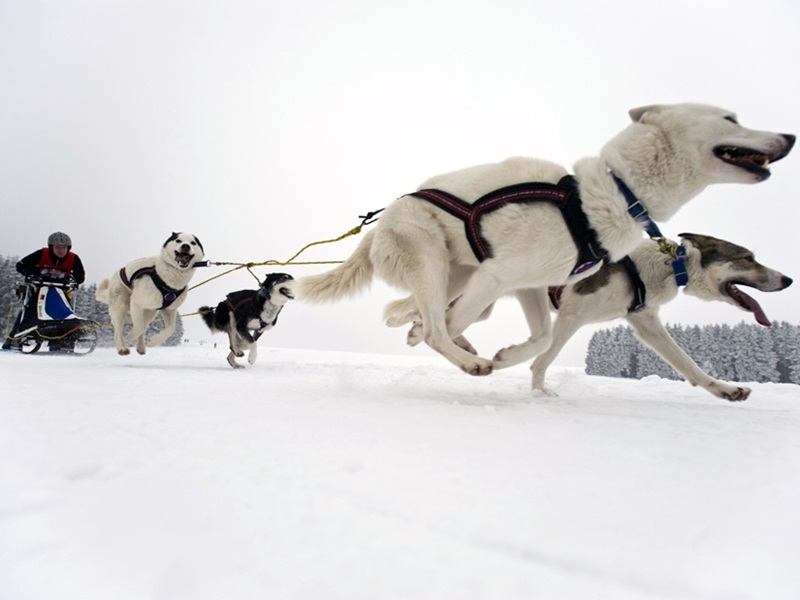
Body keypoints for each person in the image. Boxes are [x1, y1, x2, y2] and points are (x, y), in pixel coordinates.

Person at [3, 232, 86, 350]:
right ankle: (14, 338)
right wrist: (31, 271)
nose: (61, 251)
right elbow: (20, 265)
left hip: (61, 291)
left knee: (63, 309)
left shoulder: (73, 258)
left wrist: (77, 278)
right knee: (28, 311)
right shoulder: (42, 254)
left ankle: (62, 339)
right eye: (58, 247)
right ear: (51, 247)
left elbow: (80, 275)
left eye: (64, 248)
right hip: (38, 289)